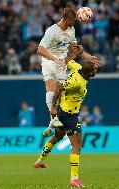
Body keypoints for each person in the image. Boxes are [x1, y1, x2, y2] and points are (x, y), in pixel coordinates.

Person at [34, 44, 98, 187]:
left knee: (57, 137)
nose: (96, 70)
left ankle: (40, 161)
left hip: (64, 112)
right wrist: (53, 107)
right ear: (89, 72)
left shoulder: (78, 68)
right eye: (94, 69)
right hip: (69, 115)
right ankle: (73, 178)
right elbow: (59, 88)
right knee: (77, 144)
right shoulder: (78, 83)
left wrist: (78, 53)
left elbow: (69, 60)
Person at [37, 6, 100, 137]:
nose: (73, 23)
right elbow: (40, 50)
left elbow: (74, 49)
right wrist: (54, 58)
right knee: (51, 87)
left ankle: (51, 126)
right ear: (65, 19)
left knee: (60, 93)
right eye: (71, 21)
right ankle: (53, 120)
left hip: (62, 63)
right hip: (49, 60)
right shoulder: (52, 31)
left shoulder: (71, 30)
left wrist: (88, 56)